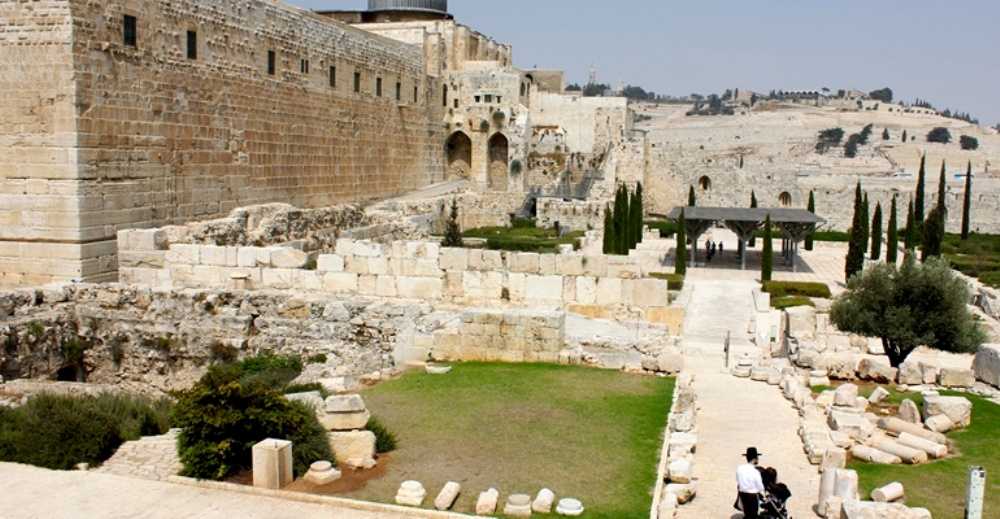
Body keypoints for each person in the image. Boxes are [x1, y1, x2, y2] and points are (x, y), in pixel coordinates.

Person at [735, 447, 765, 518]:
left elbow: (738, 481)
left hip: (742, 495)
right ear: (755, 459)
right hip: (752, 497)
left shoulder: (739, 468)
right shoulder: (755, 472)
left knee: (747, 514)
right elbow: (760, 487)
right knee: (753, 516)